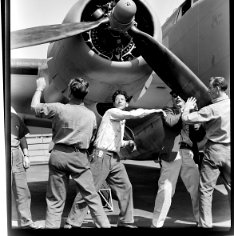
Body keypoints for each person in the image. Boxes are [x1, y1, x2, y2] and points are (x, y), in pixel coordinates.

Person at [65, 89, 166, 228]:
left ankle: (126, 221)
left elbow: (116, 142)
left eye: (122, 99)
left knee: (126, 187)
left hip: (114, 157)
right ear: (113, 103)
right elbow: (132, 115)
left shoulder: (121, 120)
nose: (119, 101)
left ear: (126, 103)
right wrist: (155, 111)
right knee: (90, 189)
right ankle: (72, 222)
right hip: (101, 155)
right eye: (117, 99)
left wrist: (128, 143)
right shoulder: (112, 113)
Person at [31, 77, 111, 228]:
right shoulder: (91, 115)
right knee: (91, 197)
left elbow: (34, 107)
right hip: (79, 157)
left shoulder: (59, 108)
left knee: (55, 201)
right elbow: (92, 138)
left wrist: (39, 88)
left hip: (58, 155)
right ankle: (104, 225)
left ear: (69, 92)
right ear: (84, 94)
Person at [151, 91, 205, 228]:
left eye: (180, 95)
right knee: (166, 190)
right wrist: (185, 110)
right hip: (172, 153)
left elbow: (199, 136)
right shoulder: (167, 110)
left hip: (189, 152)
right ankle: (156, 224)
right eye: (174, 96)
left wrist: (196, 117)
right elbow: (171, 123)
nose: (177, 98)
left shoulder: (193, 113)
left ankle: (201, 221)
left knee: (197, 189)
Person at [182, 76, 230, 228]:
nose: (208, 91)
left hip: (214, 150)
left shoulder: (212, 109)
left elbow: (186, 118)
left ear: (217, 89)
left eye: (210, 88)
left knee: (206, 190)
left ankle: (206, 226)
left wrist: (187, 107)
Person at [11, 106, 41, 229]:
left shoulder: (15, 117)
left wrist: (26, 155)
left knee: (22, 190)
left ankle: (26, 221)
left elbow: (22, 137)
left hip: (16, 154)